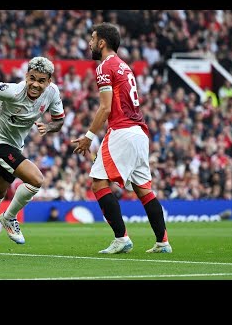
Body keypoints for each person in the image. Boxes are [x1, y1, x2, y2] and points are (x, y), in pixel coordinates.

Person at [71, 22, 172, 254]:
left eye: (93, 38)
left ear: (102, 43)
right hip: (139, 133)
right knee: (143, 189)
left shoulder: (104, 66)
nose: (89, 43)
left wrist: (88, 136)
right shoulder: (124, 66)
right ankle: (163, 242)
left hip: (122, 130)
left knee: (98, 182)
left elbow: (105, 108)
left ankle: (121, 238)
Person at [0, 56, 65, 256]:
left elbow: (59, 121)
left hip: (14, 146)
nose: (35, 84)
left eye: (41, 80)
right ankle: (9, 217)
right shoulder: (12, 91)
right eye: (32, 78)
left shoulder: (53, 94)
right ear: (26, 76)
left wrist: (48, 127)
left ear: (49, 82)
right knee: (36, 179)